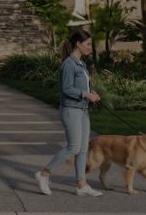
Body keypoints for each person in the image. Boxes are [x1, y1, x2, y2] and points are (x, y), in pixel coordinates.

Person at [35, 29, 103, 196]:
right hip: (71, 110)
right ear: (78, 44)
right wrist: (86, 94)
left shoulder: (82, 64)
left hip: (82, 109)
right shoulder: (68, 64)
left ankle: (81, 185)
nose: (90, 48)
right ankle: (44, 174)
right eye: (87, 44)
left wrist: (91, 92)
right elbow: (66, 89)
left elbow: (81, 86)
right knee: (73, 147)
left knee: (82, 149)